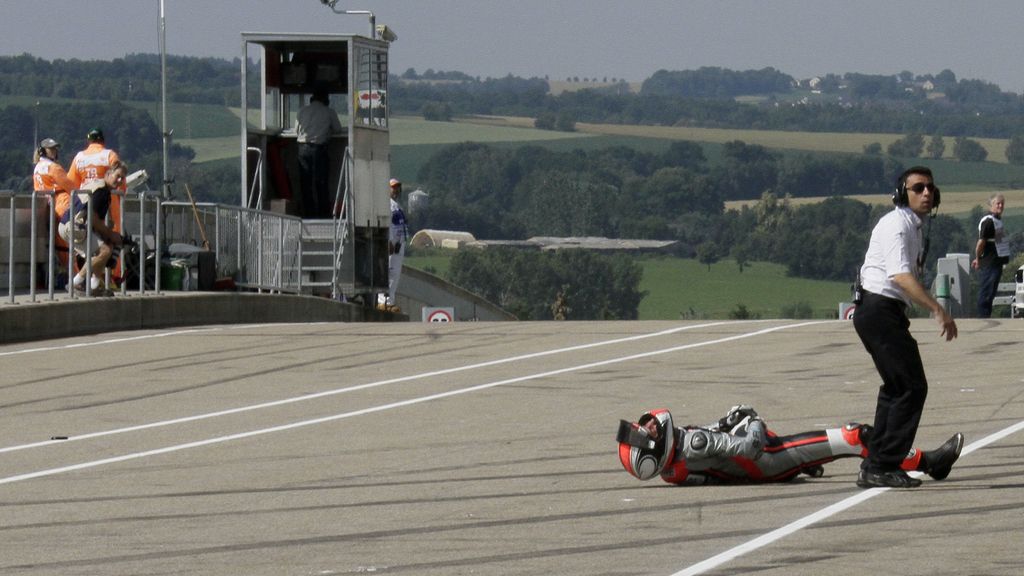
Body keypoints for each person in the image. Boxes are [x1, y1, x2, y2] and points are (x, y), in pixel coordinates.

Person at [853, 166, 958, 489]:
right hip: (878, 310)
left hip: (885, 312)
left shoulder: (913, 227)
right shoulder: (897, 226)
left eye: (930, 188)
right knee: (911, 387)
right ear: (902, 194)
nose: (926, 193)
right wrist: (937, 308)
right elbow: (900, 276)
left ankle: (877, 463)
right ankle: (882, 466)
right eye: (918, 188)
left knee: (897, 388)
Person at [617, 406, 963, 486]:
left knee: (847, 441)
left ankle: (805, 464)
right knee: (857, 436)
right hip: (769, 460)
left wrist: (726, 423)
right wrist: (753, 418)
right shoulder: (692, 443)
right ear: (654, 449)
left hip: (757, 472)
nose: (646, 425)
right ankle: (931, 462)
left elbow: (717, 469)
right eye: (644, 433)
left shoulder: (671, 473)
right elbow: (751, 448)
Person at [58, 162, 127, 295]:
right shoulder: (101, 192)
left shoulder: (99, 186)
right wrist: (111, 234)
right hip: (73, 227)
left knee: (104, 248)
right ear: (108, 174)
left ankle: (94, 286)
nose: (119, 181)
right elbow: (93, 218)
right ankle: (75, 283)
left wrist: (108, 235)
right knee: (105, 250)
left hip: (70, 225)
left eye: (122, 178)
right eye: (117, 176)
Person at [295, 88, 343, 218]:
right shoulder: (329, 112)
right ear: (326, 100)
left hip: (302, 149)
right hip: (319, 150)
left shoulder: (302, 111)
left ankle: (308, 214)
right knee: (321, 183)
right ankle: (323, 214)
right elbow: (338, 129)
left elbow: (296, 130)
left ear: (312, 99)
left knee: (306, 184)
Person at [972, 193, 1010, 318]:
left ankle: (986, 315)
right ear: (991, 205)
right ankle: (982, 317)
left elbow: (997, 242)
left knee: (991, 292)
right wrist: (977, 258)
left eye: (1002, 203)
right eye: (997, 203)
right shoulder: (988, 221)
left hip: (996, 262)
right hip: (989, 263)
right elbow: (981, 242)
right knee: (986, 292)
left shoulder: (997, 221)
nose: (1000, 206)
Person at [382, 177, 409, 311]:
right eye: (393, 187)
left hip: (399, 245)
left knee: (395, 274)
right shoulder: (388, 204)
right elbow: (387, 224)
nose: (396, 190)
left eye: (397, 187)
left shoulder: (397, 205)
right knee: (390, 272)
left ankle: (390, 300)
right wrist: (389, 241)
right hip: (392, 245)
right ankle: (384, 301)